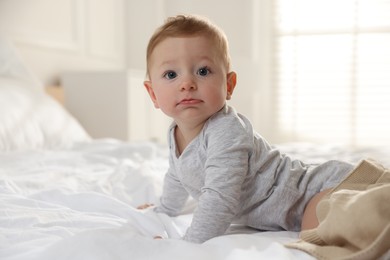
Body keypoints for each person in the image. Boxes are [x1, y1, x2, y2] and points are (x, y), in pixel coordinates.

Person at [139, 14, 354, 244]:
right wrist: (164, 209)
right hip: (299, 207)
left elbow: (220, 198)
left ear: (229, 85)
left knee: (325, 232)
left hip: (310, 194)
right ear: (153, 94)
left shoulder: (226, 130)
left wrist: (188, 244)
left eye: (203, 71)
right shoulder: (175, 133)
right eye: (171, 74)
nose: (187, 83)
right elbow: (178, 174)